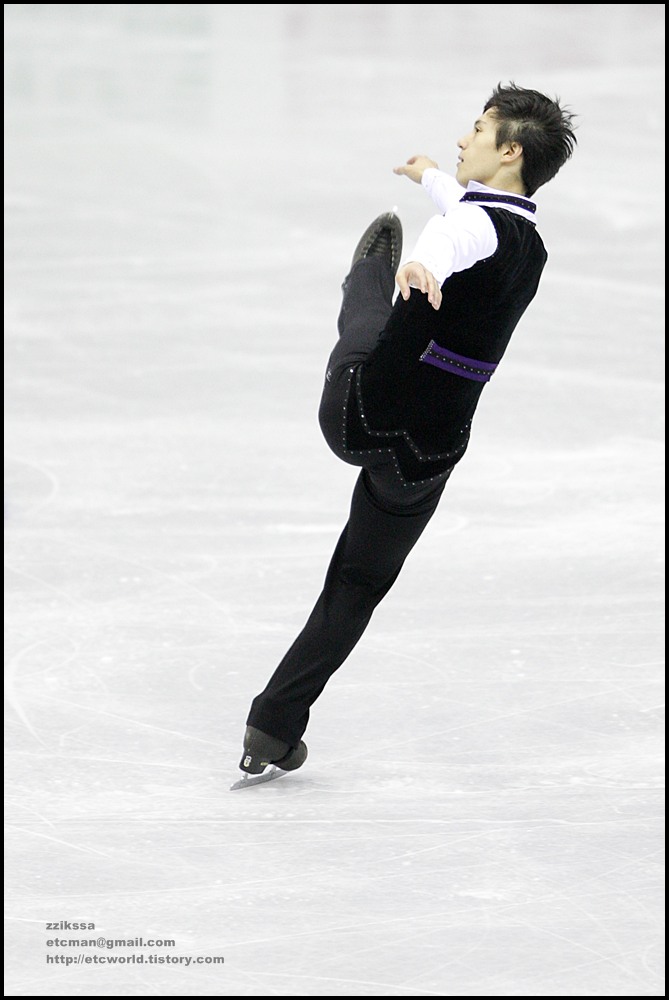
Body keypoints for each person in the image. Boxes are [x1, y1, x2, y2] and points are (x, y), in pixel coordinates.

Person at [234, 82, 577, 779]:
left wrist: (417, 267)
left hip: (360, 415)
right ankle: (273, 726)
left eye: (477, 130)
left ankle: (362, 274)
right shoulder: (526, 246)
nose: (463, 138)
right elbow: (471, 212)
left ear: (508, 148)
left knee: (364, 323)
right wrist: (432, 178)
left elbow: (456, 234)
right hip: (426, 456)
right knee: (356, 585)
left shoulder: (464, 232)